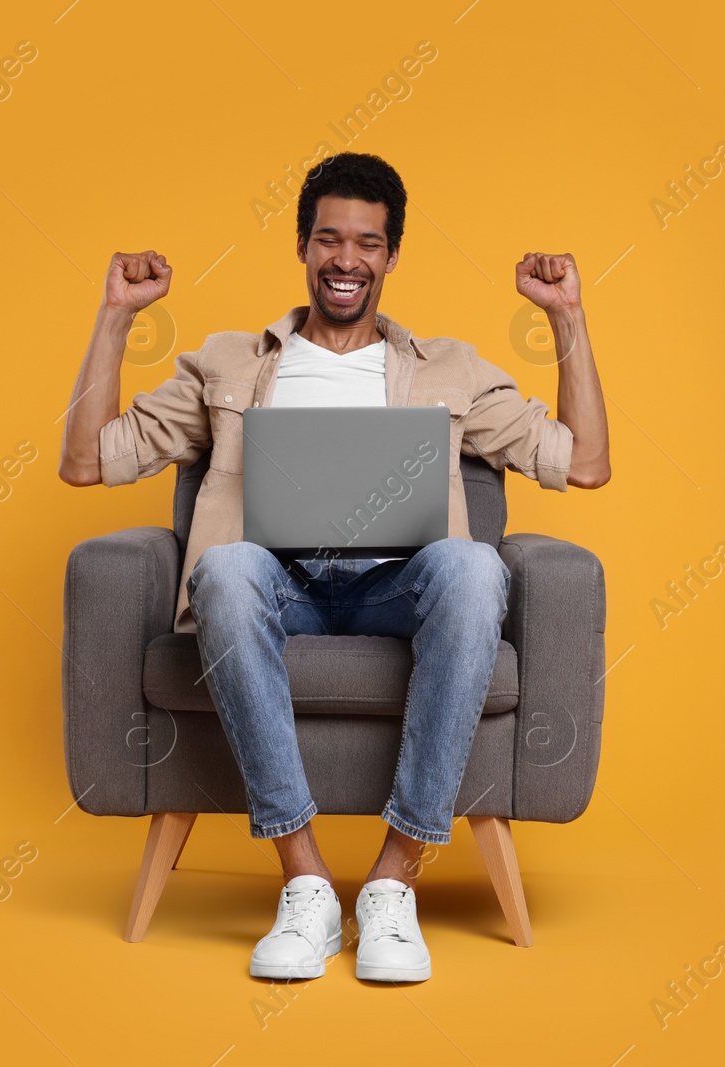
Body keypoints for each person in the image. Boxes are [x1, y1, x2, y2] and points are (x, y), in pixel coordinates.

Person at [58, 152, 610, 982]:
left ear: (390, 257)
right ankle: (306, 880)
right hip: (279, 591)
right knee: (226, 569)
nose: (346, 260)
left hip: (402, 589)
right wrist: (114, 317)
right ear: (303, 248)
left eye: (367, 243)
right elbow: (87, 461)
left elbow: (588, 462)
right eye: (328, 240)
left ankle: (394, 879)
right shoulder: (228, 363)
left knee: (473, 569)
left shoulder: (449, 369)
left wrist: (567, 319)